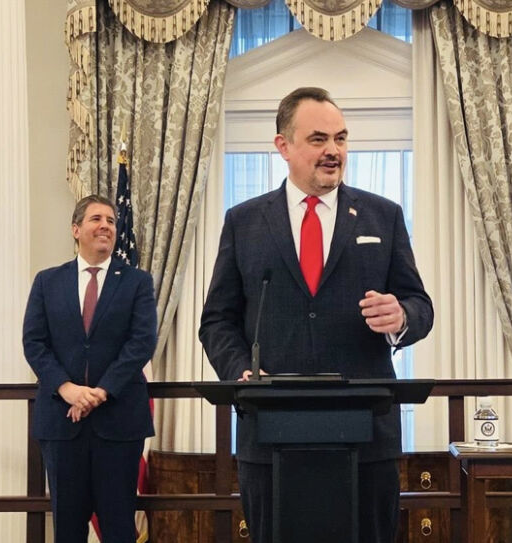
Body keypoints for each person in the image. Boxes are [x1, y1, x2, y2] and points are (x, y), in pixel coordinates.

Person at [199, 86, 434, 543]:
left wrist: (401, 316)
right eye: (319, 139)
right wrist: (241, 370)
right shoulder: (244, 221)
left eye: (341, 139)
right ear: (283, 146)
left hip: (366, 436)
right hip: (270, 434)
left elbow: (419, 305)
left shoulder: (382, 216)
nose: (333, 151)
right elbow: (217, 321)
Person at [23, 194, 157, 542]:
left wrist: (101, 391)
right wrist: (66, 388)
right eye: (96, 219)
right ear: (76, 229)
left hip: (119, 422)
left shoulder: (137, 282)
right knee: (67, 529)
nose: (106, 226)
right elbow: (34, 343)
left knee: (119, 528)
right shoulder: (47, 282)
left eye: (111, 221)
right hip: (62, 423)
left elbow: (142, 342)